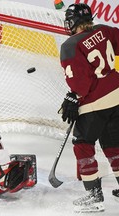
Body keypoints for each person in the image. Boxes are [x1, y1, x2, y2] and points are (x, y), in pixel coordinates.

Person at [59, 3, 119, 213]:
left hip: (96, 102)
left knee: (82, 144)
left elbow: (81, 83)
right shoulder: (104, 29)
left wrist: (73, 97)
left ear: (73, 22)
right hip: (117, 95)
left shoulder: (70, 45)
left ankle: (94, 196)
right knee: (113, 144)